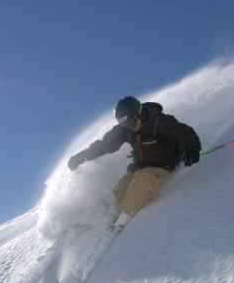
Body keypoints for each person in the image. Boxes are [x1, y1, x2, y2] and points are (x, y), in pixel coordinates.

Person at [67, 96, 201, 230]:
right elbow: (104, 145)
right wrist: (81, 157)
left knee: (136, 194)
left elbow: (185, 132)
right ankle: (88, 223)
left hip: (161, 166)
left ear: (140, 114)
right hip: (139, 166)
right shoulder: (126, 129)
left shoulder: (160, 121)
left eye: (131, 122)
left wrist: (192, 150)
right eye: (124, 125)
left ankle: (119, 224)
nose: (130, 127)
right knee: (115, 196)